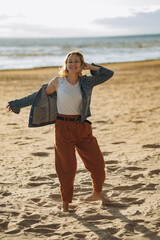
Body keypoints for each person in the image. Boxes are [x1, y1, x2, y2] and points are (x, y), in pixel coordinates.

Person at [7, 50, 114, 212]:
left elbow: (108, 73)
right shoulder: (58, 82)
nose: (72, 64)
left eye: (76, 61)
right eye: (69, 61)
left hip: (83, 127)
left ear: (81, 65)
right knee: (66, 167)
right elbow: (38, 95)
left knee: (97, 163)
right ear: (65, 64)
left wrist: (90, 66)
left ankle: (97, 193)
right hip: (63, 128)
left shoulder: (87, 82)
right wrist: (17, 104)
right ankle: (65, 203)